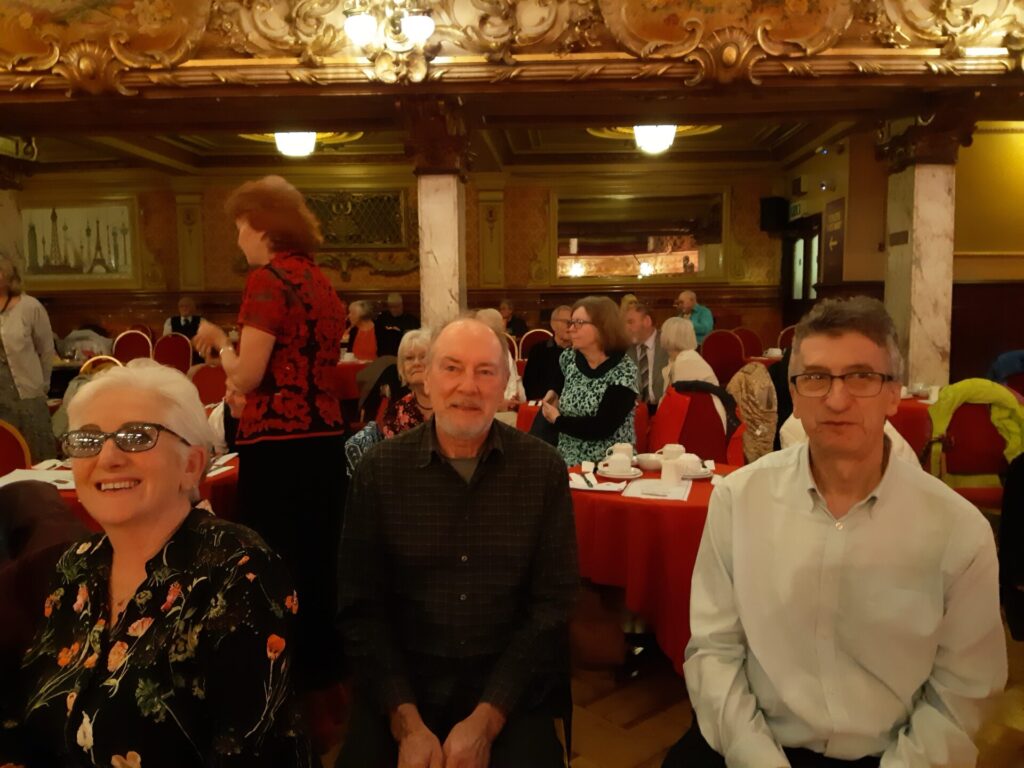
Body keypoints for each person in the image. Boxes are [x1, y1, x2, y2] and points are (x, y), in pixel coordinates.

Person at [670, 297, 1007, 768]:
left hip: (896, 755)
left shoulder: (958, 531)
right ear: (794, 395)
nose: (836, 399)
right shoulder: (738, 500)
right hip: (752, 743)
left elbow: (962, 691)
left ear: (894, 394)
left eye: (861, 376)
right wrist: (755, 757)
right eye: (815, 378)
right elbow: (714, 649)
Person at [0, 360, 311, 768]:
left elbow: (243, 751)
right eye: (88, 440)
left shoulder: (239, 570)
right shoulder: (75, 566)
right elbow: (26, 718)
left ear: (191, 465)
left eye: (136, 437)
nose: (108, 457)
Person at [336, 318, 578, 768]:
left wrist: (487, 721)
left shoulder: (542, 470)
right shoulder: (379, 471)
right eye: (452, 368)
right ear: (425, 379)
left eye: (485, 372)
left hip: (507, 683)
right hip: (403, 683)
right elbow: (360, 608)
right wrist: (406, 723)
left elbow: (552, 607)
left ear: (505, 386)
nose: (468, 386)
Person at [192, 175, 346, 695]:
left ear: (260, 226)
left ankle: (279, 670)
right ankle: (324, 666)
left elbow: (248, 375)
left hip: (277, 444)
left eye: (240, 227)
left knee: (275, 556)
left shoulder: (267, 280)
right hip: (325, 437)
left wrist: (219, 344)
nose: (238, 239)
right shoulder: (320, 282)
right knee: (319, 553)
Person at [541, 295, 638, 466]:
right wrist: (553, 392)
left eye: (578, 323)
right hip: (567, 460)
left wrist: (558, 420)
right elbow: (559, 379)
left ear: (602, 327)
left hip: (609, 464)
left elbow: (602, 427)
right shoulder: (569, 357)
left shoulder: (624, 370)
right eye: (571, 323)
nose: (571, 329)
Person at [0, 253, 56, 462]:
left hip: (27, 394)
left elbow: (46, 350)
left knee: (36, 455)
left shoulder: (30, 306)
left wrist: (42, 385)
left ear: (9, 276)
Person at [659, 316, 725, 430]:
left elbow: (678, 403)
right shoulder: (679, 359)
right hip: (695, 418)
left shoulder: (687, 362)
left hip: (702, 423)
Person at [379, 328, 432, 438]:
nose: (416, 363)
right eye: (409, 358)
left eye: (423, 357)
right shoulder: (396, 412)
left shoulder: (453, 403)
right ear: (402, 367)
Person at [476, 307, 525, 408]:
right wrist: (502, 404)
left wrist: (515, 399)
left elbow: (514, 387)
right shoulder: (472, 353)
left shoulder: (504, 351)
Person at [522, 304, 572, 401]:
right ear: (553, 325)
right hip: (544, 403)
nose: (570, 326)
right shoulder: (538, 350)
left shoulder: (580, 351)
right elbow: (529, 385)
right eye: (566, 322)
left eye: (573, 322)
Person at [624, 301, 668, 410]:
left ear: (647, 321)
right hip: (637, 411)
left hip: (665, 408)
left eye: (630, 322)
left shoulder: (668, 344)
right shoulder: (625, 350)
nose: (626, 327)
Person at [378, 292, 419, 357]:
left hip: (404, 353)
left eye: (396, 307)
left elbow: (415, 339)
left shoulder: (411, 320)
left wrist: (400, 332)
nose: (393, 309)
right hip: (385, 355)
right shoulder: (382, 318)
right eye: (391, 307)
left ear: (402, 305)